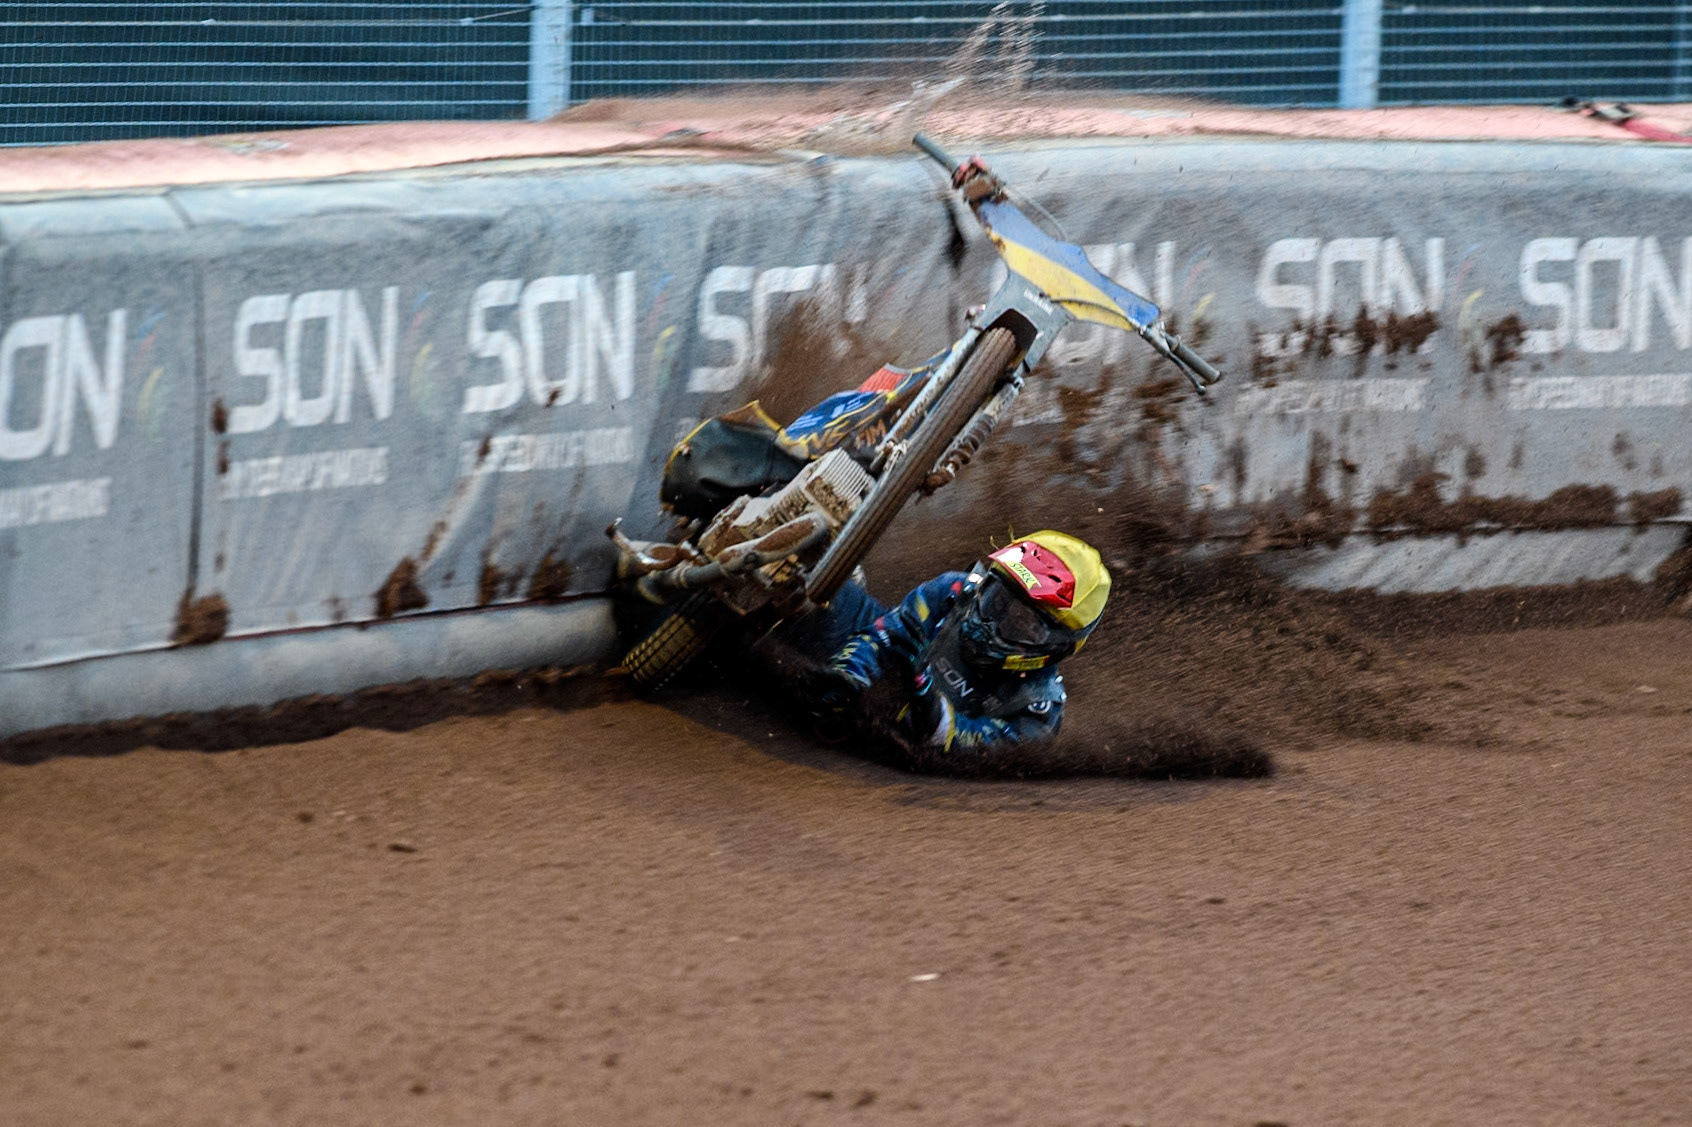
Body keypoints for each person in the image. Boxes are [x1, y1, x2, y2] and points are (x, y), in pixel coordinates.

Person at [777, 530, 1111, 774]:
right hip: (877, 658)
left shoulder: (1038, 706)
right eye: (996, 600)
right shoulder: (954, 590)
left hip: (905, 739)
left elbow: (980, 750)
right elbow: (884, 634)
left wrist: (930, 707)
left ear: (1055, 647)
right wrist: (849, 674)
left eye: (1022, 624)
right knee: (803, 592)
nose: (992, 623)